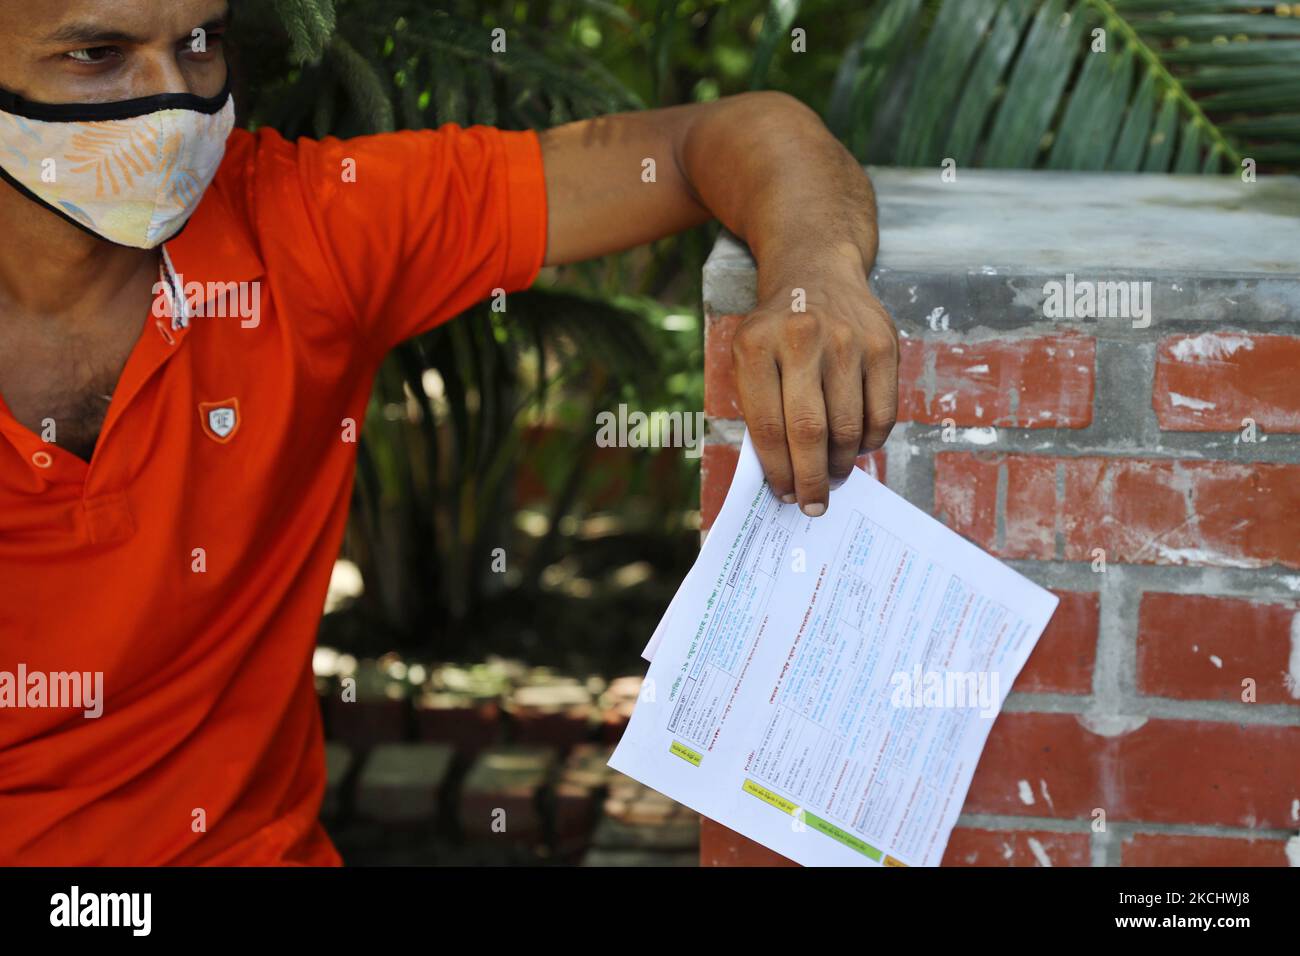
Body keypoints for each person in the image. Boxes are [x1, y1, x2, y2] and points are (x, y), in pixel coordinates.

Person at [0, 0, 898, 864]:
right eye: (97, 56)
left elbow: (730, 134)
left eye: (200, 44)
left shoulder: (301, 227)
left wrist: (813, 274)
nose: (175, 98)